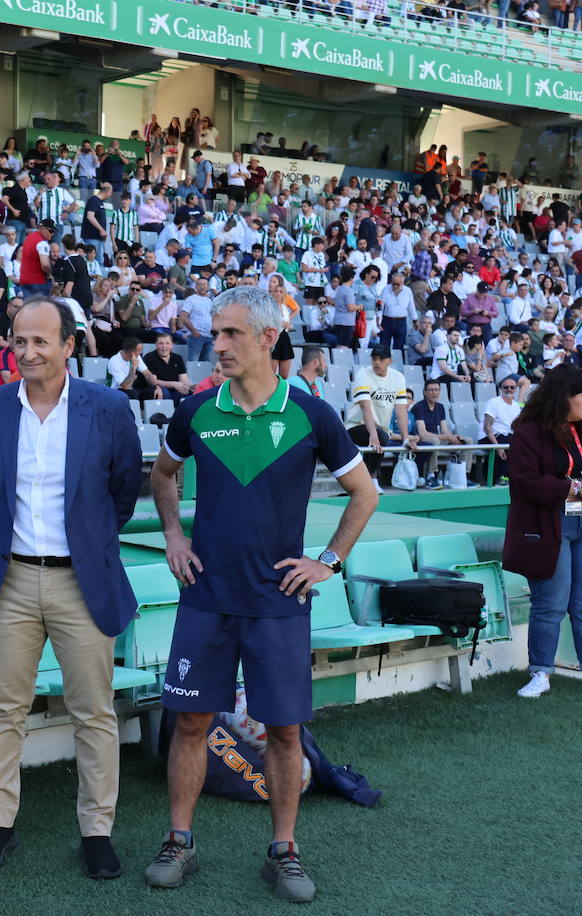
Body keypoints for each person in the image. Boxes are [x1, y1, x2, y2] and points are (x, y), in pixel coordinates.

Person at [147, 286, 378, 904]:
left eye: (230, 335)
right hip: (207, 597)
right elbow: (163, 476)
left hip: (278, 603)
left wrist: (327, 561)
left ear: (267, 339)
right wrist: (174, 536)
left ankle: (283, 851)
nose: (216, 345)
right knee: (190, 723)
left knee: (284, 730)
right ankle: (179, 840)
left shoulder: (311, 413)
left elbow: (365, 493)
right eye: (214, 334)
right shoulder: (196, 412)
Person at [0, 297, 141, 878]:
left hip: (80, 581)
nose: (29, 352)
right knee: (3, 709)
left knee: (93, 712)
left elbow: (121, 492)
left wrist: (87, 544)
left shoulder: (109, 406)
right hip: (11, 578)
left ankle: (97, 830)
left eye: (42, 341)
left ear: (70, 345)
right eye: (20, 341)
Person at [504, 366, 582, 698]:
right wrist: (570, 487)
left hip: (578, 522)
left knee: (580, 604)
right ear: (563, 398)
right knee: (551, 603)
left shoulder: (577, 428)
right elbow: (524, 482)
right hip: (546, 527)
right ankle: (541, 672)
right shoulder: (528, 432)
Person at [344, 346, 417, 490]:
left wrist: (406, 438)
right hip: (355, 426)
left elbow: (401, 411)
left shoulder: (398, 378)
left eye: (381, 359)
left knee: (382, 436)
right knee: (381, 437)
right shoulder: (363, 374)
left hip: (380, 429)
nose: (377, 362)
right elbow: (365, 407)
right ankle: (371, 480)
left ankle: (368, 482)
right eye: (374, 358)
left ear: (389, 361)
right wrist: (373, 434)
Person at [409, 379, 467, 487]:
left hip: (436, 439)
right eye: (431, 390)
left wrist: (452, 438)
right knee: (435, 441)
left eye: (436, 390)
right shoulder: (419, 407)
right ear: (424, 392)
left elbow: (444, 430)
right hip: (419, 439)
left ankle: (463, 475)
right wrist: (448, 437)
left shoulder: (440, 407)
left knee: (466, 441)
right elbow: (423, 433)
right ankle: (431, 476)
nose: (434, 393)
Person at [481, 376, 522, 486]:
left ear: (516, 389)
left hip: (505, 436)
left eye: (512, 387)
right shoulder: (494, 402)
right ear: (500, 388)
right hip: (488, 436)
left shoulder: (516, 406)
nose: (509, 389)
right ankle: (500, 477)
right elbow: (487, 427)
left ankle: (510, 476)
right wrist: (498, 447)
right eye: (506, 387)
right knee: (506, 441)